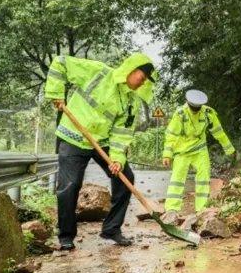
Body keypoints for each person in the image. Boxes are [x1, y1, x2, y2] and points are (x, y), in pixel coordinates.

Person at [45, 53, 157, 250]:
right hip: (74, 135)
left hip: (102, 141)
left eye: (146, 81)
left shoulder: (131, 102)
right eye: (142, 77)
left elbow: (122, 134)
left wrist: (117, 159)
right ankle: (66, 235)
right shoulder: (98, 72)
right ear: (132, 69)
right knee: (69, 185)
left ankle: (111, 229)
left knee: (125, 177)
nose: (143, 82)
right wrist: (56, 93)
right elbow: (61, 62)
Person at [162, 90, 235, 213]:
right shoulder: (180, 114)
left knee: (203, 178)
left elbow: (218, 132)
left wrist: (229, 149)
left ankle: (202, 209)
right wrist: (167, 154)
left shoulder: (208, 113)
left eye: (197, 108)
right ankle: (171, 209)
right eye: (193, 108)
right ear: (187, 103)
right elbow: (171, 135)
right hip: (182, 152)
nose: (195, 110)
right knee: (177, 180)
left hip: (199, 150)